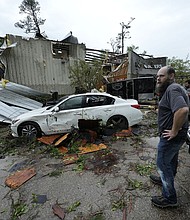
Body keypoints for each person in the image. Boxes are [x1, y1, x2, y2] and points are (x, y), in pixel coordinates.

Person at [150, 66, 189, 208]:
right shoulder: (174, 89)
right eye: (157, 77)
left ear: (171, 75)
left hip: (171, 137)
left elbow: (183, 110)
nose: (158, 79)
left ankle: (169, 198)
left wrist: (173, 131)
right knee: (171, 161)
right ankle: (164, 179)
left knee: (162, 164)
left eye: (161, 76)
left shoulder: (173, 89)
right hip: (176, 136)